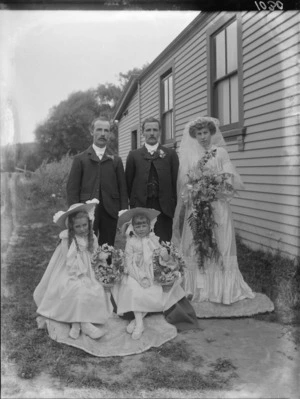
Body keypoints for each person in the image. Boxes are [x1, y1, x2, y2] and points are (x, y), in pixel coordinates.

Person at [172, 116, 255, 304]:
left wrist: (215, 184)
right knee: (197, 244)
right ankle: (200, 289)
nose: (203, 137)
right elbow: (186, 184)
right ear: (194, 136)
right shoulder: (191, 156)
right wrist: (195, 189)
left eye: (205, 133)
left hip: (217, 205)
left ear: (211, 133)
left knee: (221, 243)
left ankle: (223, 291)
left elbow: (229, 177)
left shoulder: (221, 153)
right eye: (199, 133)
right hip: (198, 206)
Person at [112, 207, 199, 340]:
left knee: (156, 290)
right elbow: (129, 262)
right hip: (136, 272)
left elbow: (159, 258)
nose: (141, 229)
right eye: (138, 226)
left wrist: (165, 257)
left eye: (144, 225)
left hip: (152, 270)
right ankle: (140, 323)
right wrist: (141, 277)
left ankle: (137, 320)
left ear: (149, 226)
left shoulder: (153, 239)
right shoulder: (131, 242)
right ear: (133, 227)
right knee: (133, 288)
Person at [33, 201, 113, 340]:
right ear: (72, 227)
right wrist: (80, 275)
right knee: (75, 289)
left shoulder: (91, 236)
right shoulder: (68, 240)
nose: (82, 229)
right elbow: (69, 261)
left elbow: (95, 254)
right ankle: (84, 325)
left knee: (96, 288)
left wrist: (101, 257)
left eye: (84, 225)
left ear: (89, 223)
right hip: (71, 270)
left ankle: (77, 323)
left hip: (89, 269)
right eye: (78, 226)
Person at [66, 116, 128, 246]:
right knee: (86, 247)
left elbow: (123, 189)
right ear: (91, 131)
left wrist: (123, 214)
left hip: (110, 211)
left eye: (106, 131)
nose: (103, 134)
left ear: (110, 134)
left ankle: (105, 267)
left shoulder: (116, 160)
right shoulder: (80, 159)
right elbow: (72, 189)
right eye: (99, 130)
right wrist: (75, 213)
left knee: (107, 248)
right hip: (86, 212)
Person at [125, 117, 179, 243]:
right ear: (143, 133)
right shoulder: (134, 155)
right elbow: (128, 183)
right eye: (148, 130)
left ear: (160, 132)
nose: (152, 133)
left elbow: (176, 181)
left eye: (155, 130)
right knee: (141, 243)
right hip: (141, 207)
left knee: (164, 243)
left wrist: (173, 204)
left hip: (164, 208)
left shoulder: (170, 154)